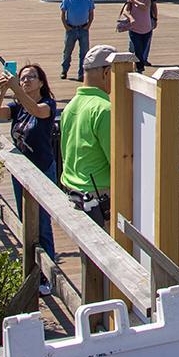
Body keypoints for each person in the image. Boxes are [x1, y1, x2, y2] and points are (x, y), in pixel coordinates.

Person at [0, 62, 58, 293]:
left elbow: (37, 111)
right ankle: (31, 272)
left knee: (42, 224)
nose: (26, 81)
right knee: (26, 222)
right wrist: (3, 91)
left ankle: (48, 276)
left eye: (31, 77)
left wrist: (16, 89)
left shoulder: (48, 104)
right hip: (21, 171)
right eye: (22, 78)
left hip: (42, 171)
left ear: (41, 82)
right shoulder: (18, 106)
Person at [60, 44, 117, 225]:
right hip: (98, 195)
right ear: (106, 73)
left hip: (73, 191)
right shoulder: (104, 109)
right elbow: (117, 161)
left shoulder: (70, 106)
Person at [59, 0, 95, 80]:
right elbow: (63, 14)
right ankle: (64, 70)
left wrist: (88, 25)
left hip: (83, 28)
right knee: (67, 52)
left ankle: (81, 74)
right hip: (71, 28)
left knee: (84, 53)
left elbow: (91, 14)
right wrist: (66, 26)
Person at [120, 0, 156, 71]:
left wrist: (134, 0)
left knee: (143, 50)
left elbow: (145, 7)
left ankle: (138, 66)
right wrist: (130, 18)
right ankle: (140, 68)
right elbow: (125, 11)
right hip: (135, 29)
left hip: (146, 28)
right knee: (137, 49)